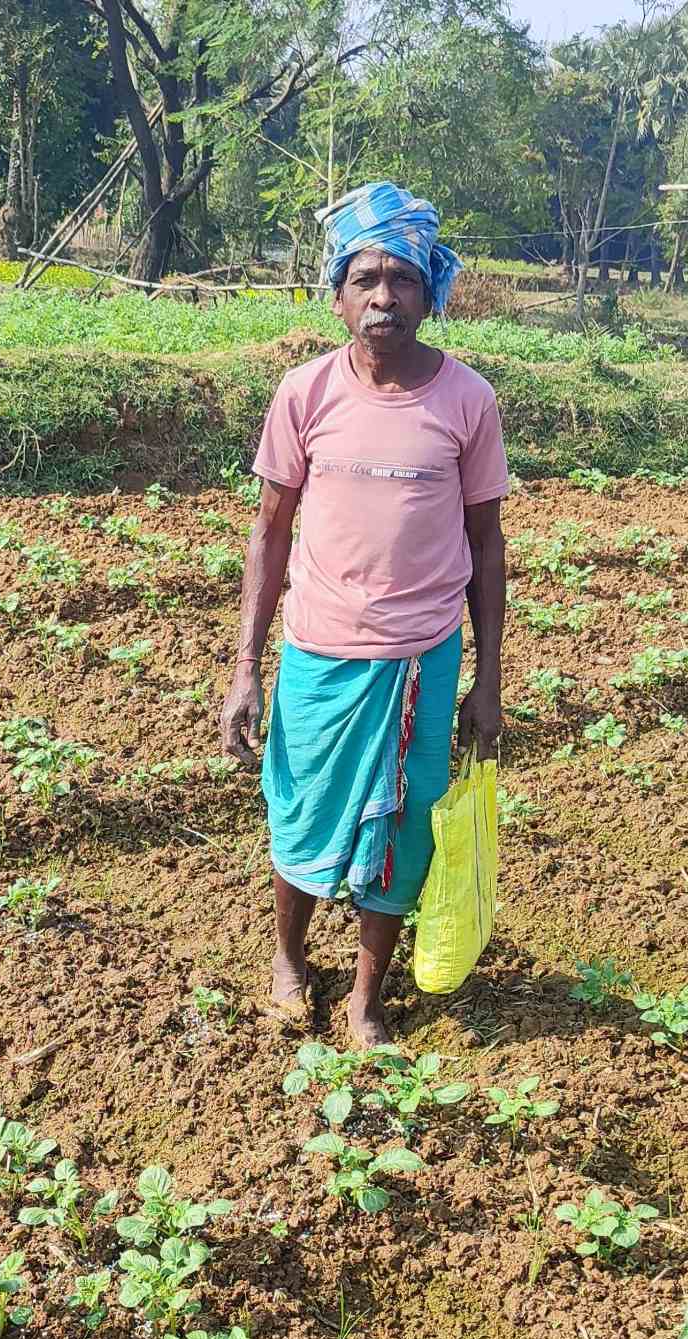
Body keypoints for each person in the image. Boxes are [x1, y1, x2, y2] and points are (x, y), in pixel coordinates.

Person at [219, 181, 508, 1047]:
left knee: (407, 825)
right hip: (320, 649)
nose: (384, 297)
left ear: (431, 293)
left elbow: (487, 548)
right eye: (366, 280)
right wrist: (245, 666)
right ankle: (290, 961)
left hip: (424, 657)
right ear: (339, 294)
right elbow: (268, 536)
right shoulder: (305, 393)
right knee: (300, 811)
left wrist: (489, 682)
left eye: (403, 280)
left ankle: (365, 997)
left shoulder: (467, 401)